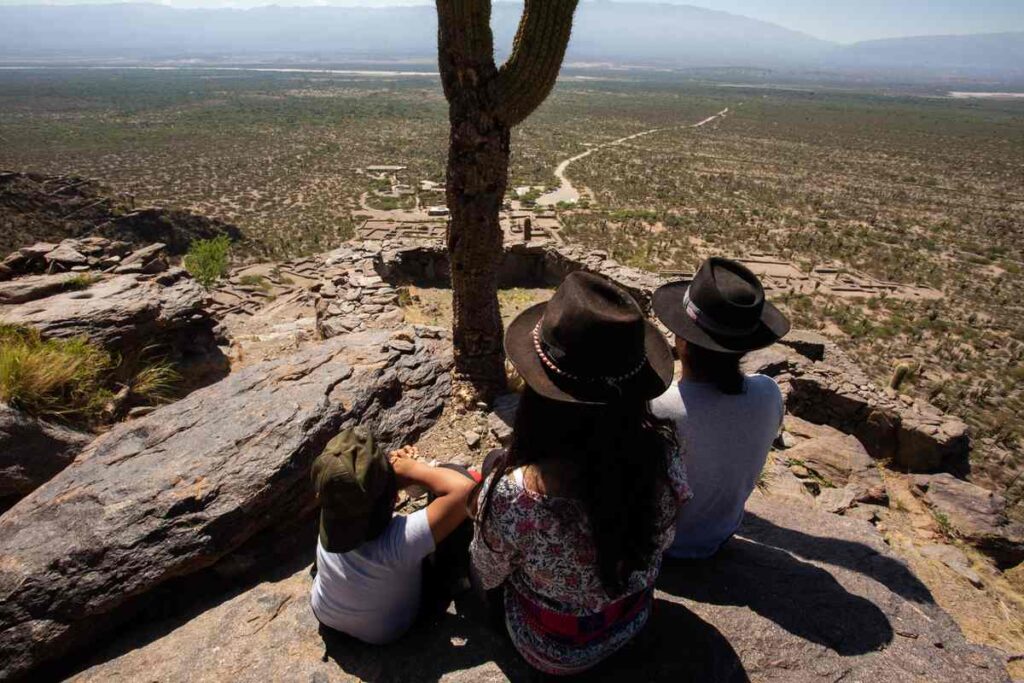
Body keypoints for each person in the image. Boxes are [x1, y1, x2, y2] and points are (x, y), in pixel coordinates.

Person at [470, 271, 692, 676]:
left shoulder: (516, 496)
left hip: (551, 650)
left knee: (477, 528)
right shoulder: (663, 456)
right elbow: (665, 537)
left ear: (540, 395)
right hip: (629, 621)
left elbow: (488, 573)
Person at [651, 257, 791, 560]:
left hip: (659, 547)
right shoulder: (768, 394)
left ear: (682, 341)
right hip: (720, 533)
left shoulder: (660, 408)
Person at [309, 428, 476, 645]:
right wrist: (413, 470)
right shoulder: (400, 542)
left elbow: (356, 496)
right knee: (454, 473)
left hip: (325, 612)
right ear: (393, 495)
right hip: (385, 633)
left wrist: (386, 480)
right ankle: (456, 581)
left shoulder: (333, 505)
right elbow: (466, 490)